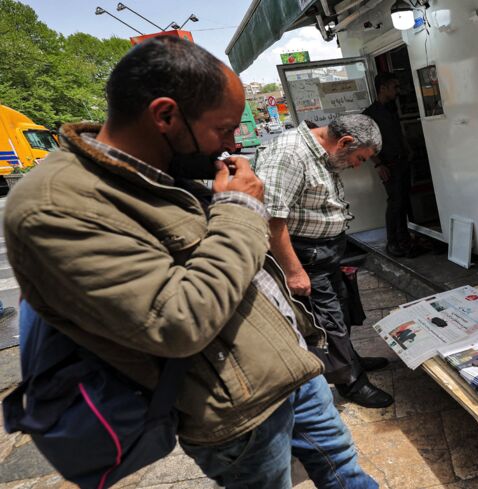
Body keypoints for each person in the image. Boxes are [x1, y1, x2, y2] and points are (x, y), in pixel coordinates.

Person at [3, 37, 378, 489]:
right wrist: (240, 209)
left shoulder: (164, 169)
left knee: (345, 471)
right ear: (165, 115)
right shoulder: (56, 204)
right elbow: (177, 322)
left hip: (291, 368)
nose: (233, 143)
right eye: (223, 129)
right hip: (238, 411)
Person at [255, 114, 394, 409]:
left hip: (327, 252)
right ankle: (351, 383)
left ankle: (350, 361)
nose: (357, 165)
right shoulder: (290, 153)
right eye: (359, 158)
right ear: (344, 142)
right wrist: (293, 272)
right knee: (327, 321)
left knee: (341, 312)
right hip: (305, 257)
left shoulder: (325, 154)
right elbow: (271, 218)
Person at [362, 73, 414, 257]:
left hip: (402, 161)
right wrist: (378, 165)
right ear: (383, 88)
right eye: (394, 87)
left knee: (404, 202)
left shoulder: (391, 109)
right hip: (388, 164)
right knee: (395, 203)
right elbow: (365, 144)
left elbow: (398, 133)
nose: (397, 91)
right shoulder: (369, 114)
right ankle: (392, 243)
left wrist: (407, 149)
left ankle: (405, 240)